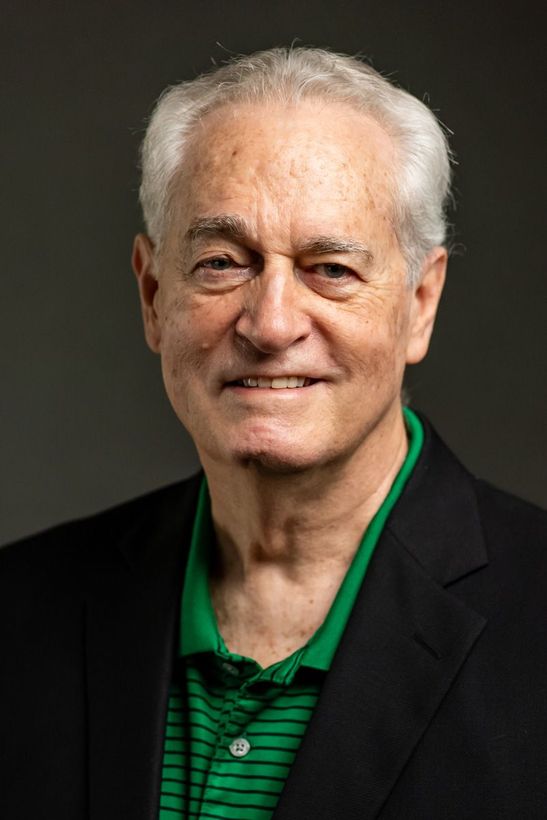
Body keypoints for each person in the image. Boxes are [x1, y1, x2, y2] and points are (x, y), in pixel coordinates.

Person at [1, 46, 546, 820]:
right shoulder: (19, 610)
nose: (271, 324)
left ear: (420, 302)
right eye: (223, 263)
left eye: (330, 268)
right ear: (154, 294)